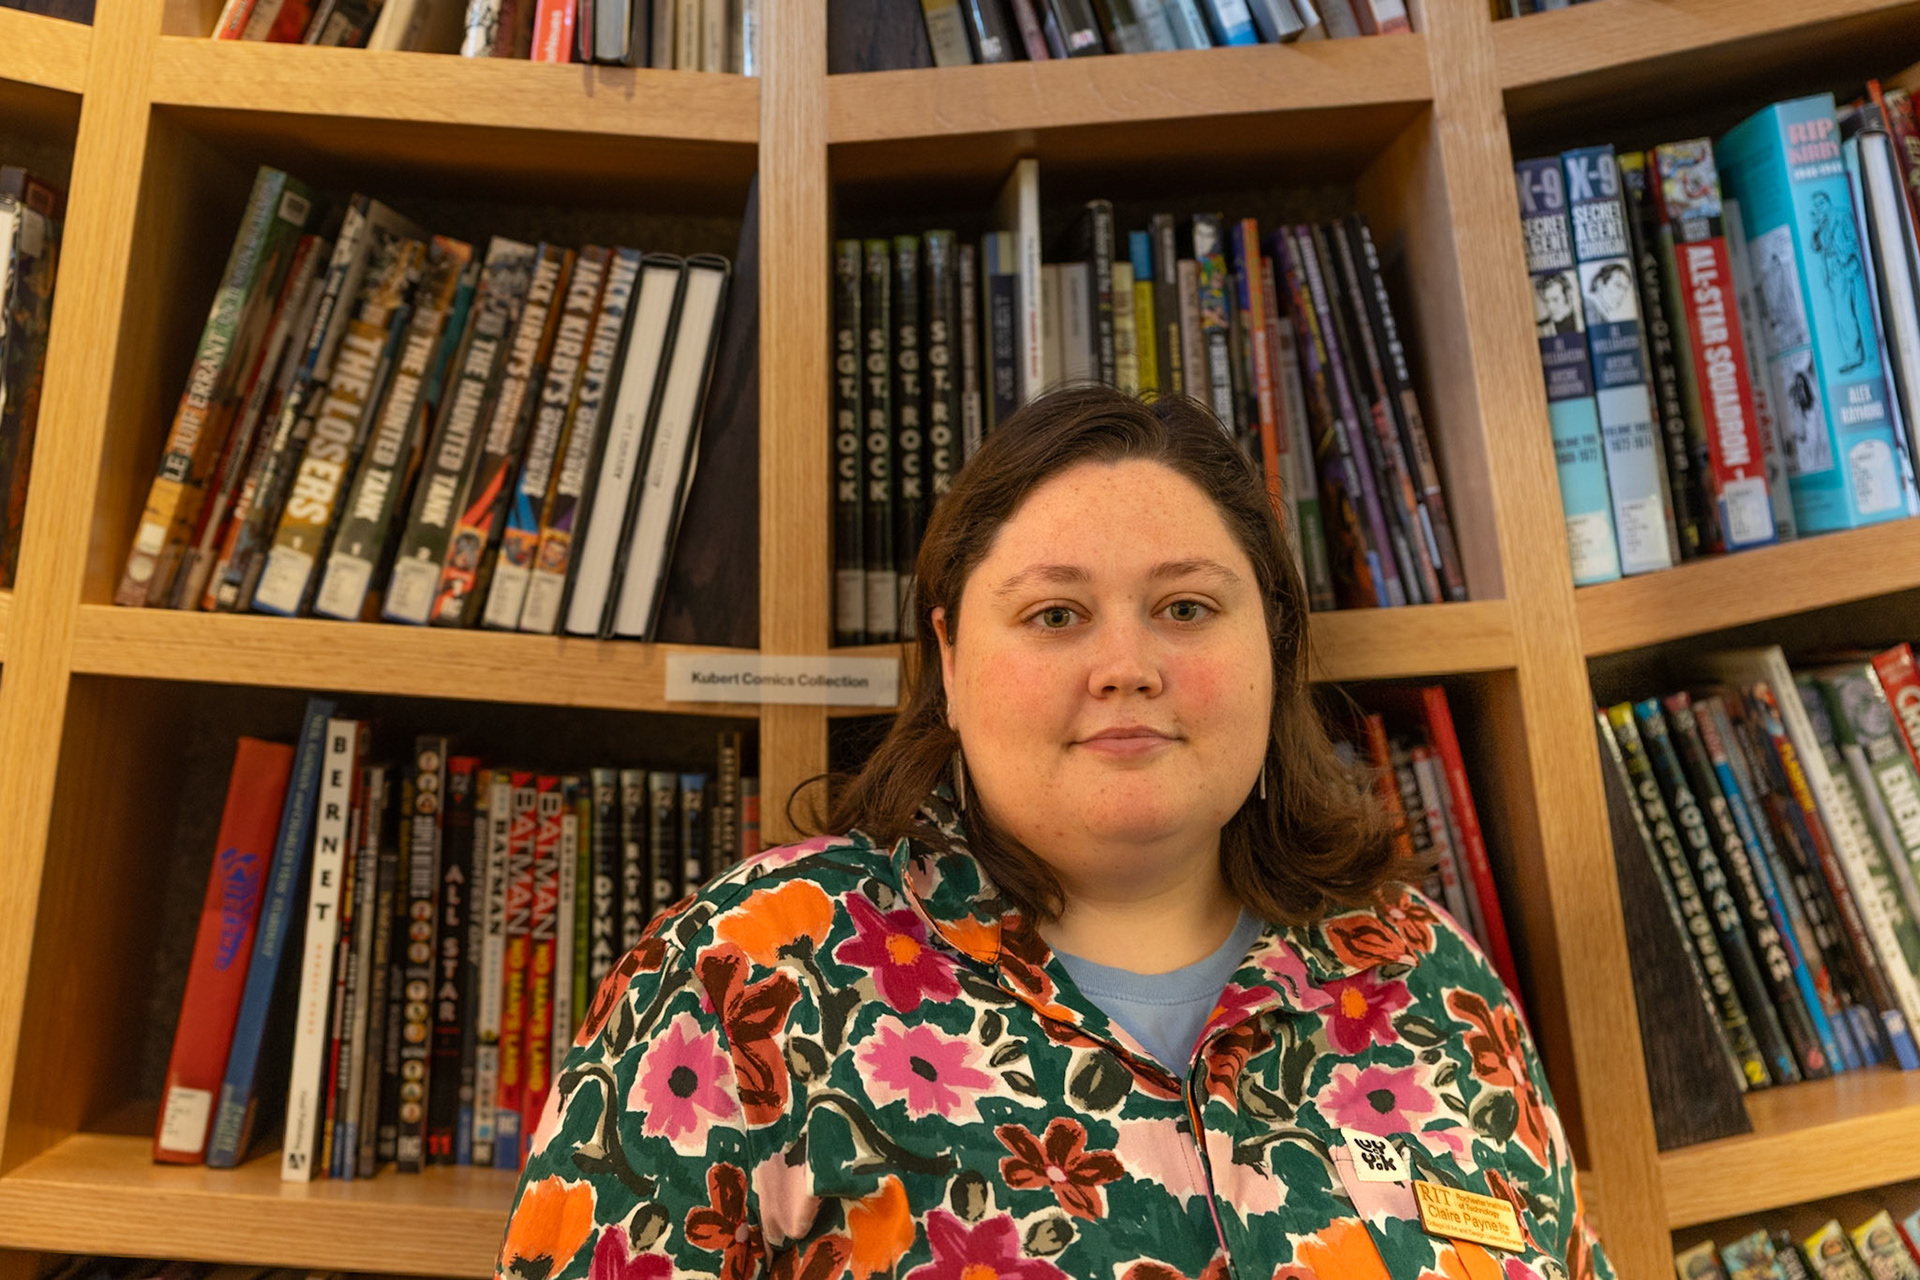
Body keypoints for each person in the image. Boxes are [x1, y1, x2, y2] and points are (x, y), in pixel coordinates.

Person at [496, 387, 1612, 1280]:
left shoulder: (1430, 977)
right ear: (947, 659)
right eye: (1055, 614)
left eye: (1185, 606)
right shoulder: (743, 973)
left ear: (1272, 643)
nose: (1126, 663)